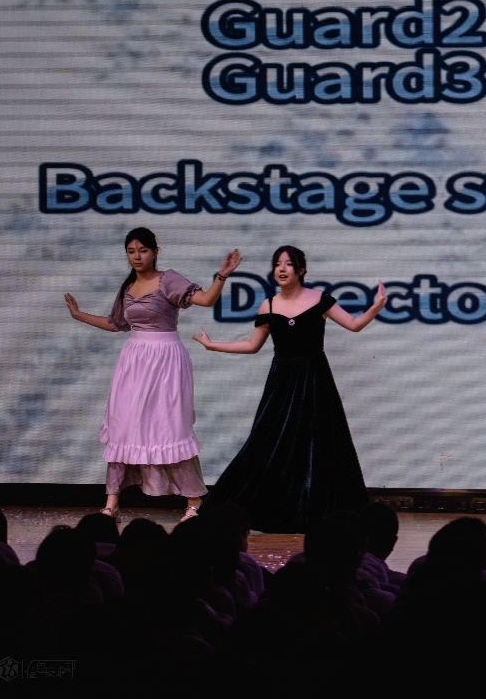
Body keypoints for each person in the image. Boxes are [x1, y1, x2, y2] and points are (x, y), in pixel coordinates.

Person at [193, 245, 385, 533]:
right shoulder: (268, 306)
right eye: (277, 264)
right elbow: (252, 345)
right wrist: (213, 345)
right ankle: (257, 509)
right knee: (266, 441)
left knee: (322, 443)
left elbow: (354, 324)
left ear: (301, 269)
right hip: (282, 382)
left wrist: (375, 307)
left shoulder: (320, 299)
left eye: (289, 264)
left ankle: (322, 511)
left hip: (316, 380)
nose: (282, 269)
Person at [64, 228, 241, 523]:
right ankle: (112, 503)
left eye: (142, 250)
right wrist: (78, 314)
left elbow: (207, 300)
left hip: (165, 360)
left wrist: (222, 275)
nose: (137, 256)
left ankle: (193, 501)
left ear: (155, 252)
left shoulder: (168, 279)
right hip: (134, 361)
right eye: (131, 251)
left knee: (168, 427)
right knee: (124, 426)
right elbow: (116, 323)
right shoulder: (128, 286)